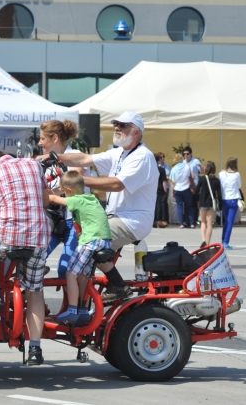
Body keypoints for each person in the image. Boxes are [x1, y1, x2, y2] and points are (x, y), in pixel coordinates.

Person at [50, 111, 159, 303]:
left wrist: (75, 181)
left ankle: (111, 290)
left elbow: (117, 184)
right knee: (82, 254)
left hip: (131, 221)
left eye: (123, 125)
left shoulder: (142, 156)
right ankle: (84, 306)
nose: (117, 127)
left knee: (84, 249)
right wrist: (52, 158)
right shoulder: (119, 153)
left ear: (136, 132)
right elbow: (84, 159)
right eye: (116, 123)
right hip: (114, 217)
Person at [0, 150, 50, 366]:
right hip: (38, 236)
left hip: (7, 233)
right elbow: (45, 201)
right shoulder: (34, 165)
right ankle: (35, 349)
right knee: (35, 292)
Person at [46, 171, 112, 326]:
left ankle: (72, 309)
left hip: (90, 241)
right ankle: (83, 310)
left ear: (69, 191)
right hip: (104, 240)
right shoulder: (91, 198)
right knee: (82, 275)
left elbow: (53, 199)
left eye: (63, 192)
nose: (62, 195)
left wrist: (40, 192)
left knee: (70, 274)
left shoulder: (76, 200)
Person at [38, 119, 84, 279]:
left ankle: (74, 304)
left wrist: (51, 193)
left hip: (74, 221)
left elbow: (72, 181)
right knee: (36, 259)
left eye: (43, 138)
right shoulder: (46, 161)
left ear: (55, 138)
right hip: (55, 218)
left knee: (65, 269)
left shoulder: (76, 156)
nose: (40, 142)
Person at [170, 146, 201, 229]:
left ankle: (181, 224)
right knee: (189, 206)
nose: (185, 155)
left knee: (179, 207)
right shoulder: (187, 166)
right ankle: (192, 223)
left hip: (177, 189)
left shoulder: (173, 169)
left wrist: (172, 192)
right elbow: (192, 177)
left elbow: (172, 182)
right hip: (186, 188)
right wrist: (194, 186)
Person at [195, 161, 221, 247]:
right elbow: (219, 194)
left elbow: (196, 191)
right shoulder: (216, 180)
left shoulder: (202, 179)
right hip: (212, 203)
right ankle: (208, 242)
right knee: (209, 223)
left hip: (203, 203)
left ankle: (203, 240)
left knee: (203, 222)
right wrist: (220, 205)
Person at [218, 157, 242, 249]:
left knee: (226, 221)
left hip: (224, 199)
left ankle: (223, 240)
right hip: (233, 199)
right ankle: (225, 241)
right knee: (229, 222)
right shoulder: (237, 174)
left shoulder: (221, 174)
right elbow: (239, 185)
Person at [154, 152, 169, 228]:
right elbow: (164, 181)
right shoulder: (161, 170)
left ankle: (154, 221)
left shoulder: (150, 169)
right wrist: (165, 190)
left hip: (152, 189)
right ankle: (161, 221)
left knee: (154, 205)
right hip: (160, 188)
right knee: (161, 205)